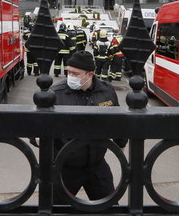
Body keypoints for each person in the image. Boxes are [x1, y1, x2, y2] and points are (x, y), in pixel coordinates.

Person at [51, 51, 127, 201]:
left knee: (108, 206)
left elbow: (117, 121)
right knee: (56, 208)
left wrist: (121, 141)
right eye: (68, 72)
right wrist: (38, 139)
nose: (70, 77)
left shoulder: (106, 91)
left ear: (90, 74)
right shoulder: (56, 94)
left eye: (75, 73)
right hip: (65, 166)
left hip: (96, 164)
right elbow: (36, 126)